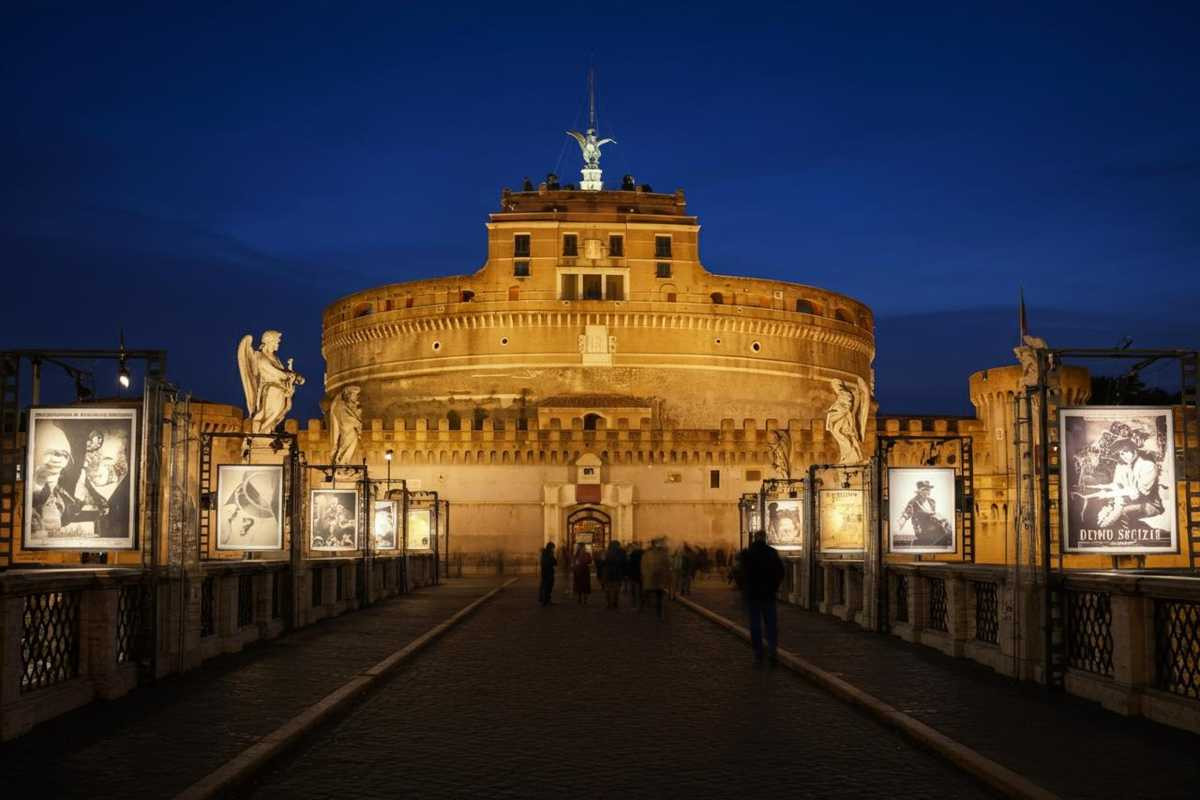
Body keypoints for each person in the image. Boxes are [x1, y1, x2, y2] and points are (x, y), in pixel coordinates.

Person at [742, 530, 784, 667]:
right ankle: (772, 652)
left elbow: (744, 574)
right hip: (769, 595)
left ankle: (758, 655)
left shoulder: (749, 553)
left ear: (755, 538)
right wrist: (774, 586)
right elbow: (780, 571)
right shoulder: (772, 552)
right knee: (771, 625)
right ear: (765, 538)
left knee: (755, 626)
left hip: (754, 595)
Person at [897, 481, 952, 548]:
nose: (927, 491)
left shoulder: (932, 501)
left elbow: (933, 515)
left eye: (928, 489)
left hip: (933, 526)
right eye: (925, 489)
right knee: (943, 532)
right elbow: (907, 513)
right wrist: (902, 521)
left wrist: (941, 519)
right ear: (919, 491)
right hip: (922, 529)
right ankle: (918, 544)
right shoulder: (914, 502)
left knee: (947, 529)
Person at [640, 538, 671, 619]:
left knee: (651, 594)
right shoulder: (662, 554)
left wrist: (644, 575)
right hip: (656, 578)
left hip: (653, 578)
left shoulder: (647, 554)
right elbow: (667, 566)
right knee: (658, 596)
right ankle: (659, 612)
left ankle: (646, 609)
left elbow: (643, 566)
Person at [601, 540, 626, 609]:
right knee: (616, 589)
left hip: (608, 573)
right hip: (617, 573)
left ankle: (609, 604)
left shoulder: (606, 552)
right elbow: (624, 563)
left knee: (608, 589)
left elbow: (602, 563)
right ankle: (615, 603)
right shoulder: (622, 552)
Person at [626, 541, 644, 609]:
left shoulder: (632, 554)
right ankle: (640, 603)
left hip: (634, 574)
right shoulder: (643, 552)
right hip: (641, 573)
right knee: (640, 589)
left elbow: (629, 564)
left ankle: (635, 603)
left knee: (634, 589)